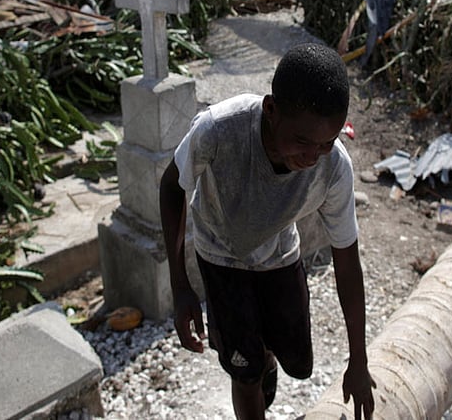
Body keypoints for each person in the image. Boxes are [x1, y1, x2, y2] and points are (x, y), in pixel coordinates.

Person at [159, 42, 376, 419]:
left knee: (298, 363)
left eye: (327, 142)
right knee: (244, 375)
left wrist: (358, 360)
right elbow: (172, 185)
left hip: (278, 254)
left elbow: (347, 260)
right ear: (271, 111)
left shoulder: (333, 168)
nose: (312, 156)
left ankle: (266, 358)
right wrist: (180, 285)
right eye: (303, 141)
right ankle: (252, 367)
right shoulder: (220, 129)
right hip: (220, 255)